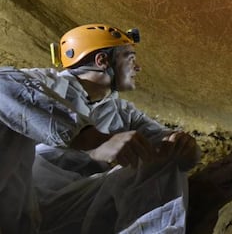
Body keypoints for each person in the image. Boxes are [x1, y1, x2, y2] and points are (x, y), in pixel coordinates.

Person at [0, 24, 200, 234]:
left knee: (162, 159)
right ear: (102, 61)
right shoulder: (43, 83)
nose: (138, 67)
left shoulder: (124, 113)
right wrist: (92, 140)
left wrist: (184, 147)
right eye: (130, 58)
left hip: (69, 211)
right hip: (17, 205)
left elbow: (167, 143)